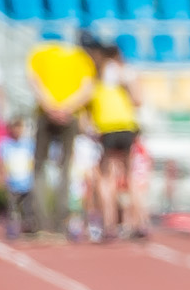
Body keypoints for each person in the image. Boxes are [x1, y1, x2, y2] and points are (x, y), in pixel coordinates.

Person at [25, 34, 97, 235]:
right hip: (70, 115)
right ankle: (59, 224)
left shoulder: (39, 53)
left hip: (46, 113)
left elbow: (33, 81)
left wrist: (50, 106)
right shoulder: (81, 57)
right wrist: (66, 108)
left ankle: (41, 223)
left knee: (39, 167)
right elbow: (87, 89)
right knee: (65, 167)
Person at [87, 40, 144, 239]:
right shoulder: (126, 71)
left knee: (106, 177)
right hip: (127, 126)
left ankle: (109, 224)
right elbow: (138, 100)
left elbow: (88, 100)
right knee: (130, 176)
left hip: (107, 127)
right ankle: (138, 223)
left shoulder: (96, 73)